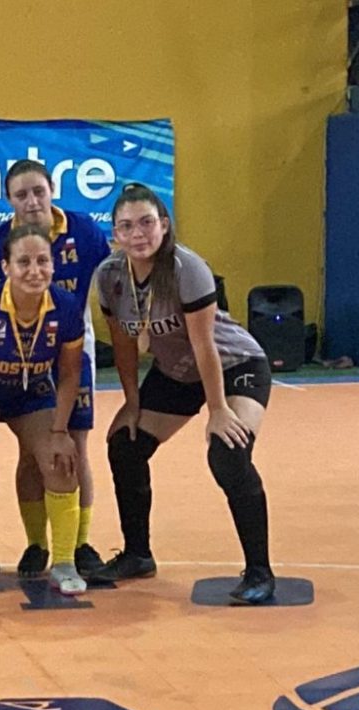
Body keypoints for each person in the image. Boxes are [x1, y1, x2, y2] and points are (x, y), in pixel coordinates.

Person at [93, 183, 276, 604]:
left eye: (146, 222)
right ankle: (138, 554)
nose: (138, 233)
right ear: (116, 235)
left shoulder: (185, 268)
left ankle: (260, 571)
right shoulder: (110, 277)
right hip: (176, 372)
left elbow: (204, 344)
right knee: (125, 443)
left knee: (227, 453)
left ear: (164, 224)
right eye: (127, 226)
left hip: (233, 366)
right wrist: (133, 404)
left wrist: (217, 411)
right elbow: (123, 345)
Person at [0, 160, 110, 579]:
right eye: (21, 195)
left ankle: (79, 543)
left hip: (73, 345)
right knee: (31, 451)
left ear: (52, 188)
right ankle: (37, 543)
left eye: (38, 191)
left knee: (75, 447)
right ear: (8, 200)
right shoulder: (2, 240)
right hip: (26, 352)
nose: (32, 201)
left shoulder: (85, 231)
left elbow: (109, 277)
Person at [0, 225, 88, 595]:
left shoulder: (66, 306)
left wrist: (60, 431)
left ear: (54, 265)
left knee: (60, 462)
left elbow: (70, 372)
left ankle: (62, 562)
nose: (34, 270)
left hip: (29, 389)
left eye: (42, 261)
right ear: (6, 267)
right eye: (23, 262)